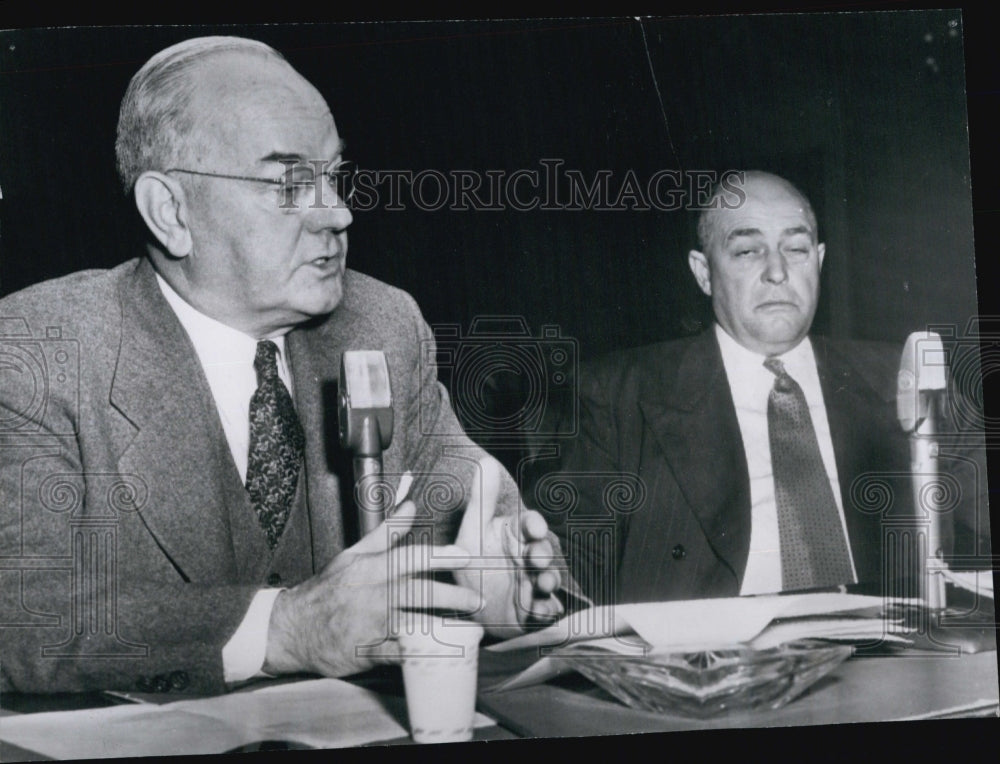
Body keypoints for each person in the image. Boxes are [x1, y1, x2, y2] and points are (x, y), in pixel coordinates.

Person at [0, 36, 565, 694]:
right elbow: (20, 613)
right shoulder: (38, 349)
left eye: (335, 177)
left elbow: (469, 524)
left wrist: (501, 598)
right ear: (171, 212)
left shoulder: (381, 326)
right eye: (291, 183)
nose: (339, 212)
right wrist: (284, 628)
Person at [530, 171, 991, 605]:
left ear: (820, 260)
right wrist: (531, 589)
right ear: (703, 272)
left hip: (889, 656)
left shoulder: (906, 378)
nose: (777, 272)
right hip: (714, 668)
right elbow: (565, 576)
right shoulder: (614, 395)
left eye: (796, 249)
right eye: (748, 251)